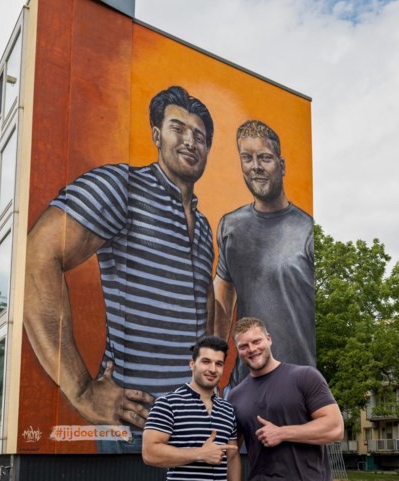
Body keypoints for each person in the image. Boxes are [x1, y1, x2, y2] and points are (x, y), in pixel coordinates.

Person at [23, 86, 216, 451]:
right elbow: (38, 255)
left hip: (193, 432)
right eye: (179, 128)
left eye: (200, 136)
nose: (191, 141)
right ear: (157, 134)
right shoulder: (122, 186)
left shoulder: (205, 228)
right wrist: (80, 389)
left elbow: (204, 311)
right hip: (133, 436)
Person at [213, 120, 315, 386]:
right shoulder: (229, 226)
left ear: (281, 166)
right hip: (243, 385)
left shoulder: (308, 230)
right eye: (247, 158)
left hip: (297, 384)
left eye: (265, 158)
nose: (255, 166)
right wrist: (213, 365)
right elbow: (223, 298)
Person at [227, 317, 343, 481]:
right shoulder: (234, 396)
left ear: (269, 339)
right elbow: (231, 451)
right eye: (244, 346)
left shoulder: (305, 376)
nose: (252, 349)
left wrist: (282, 433)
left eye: (256, 341)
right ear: (238, 350)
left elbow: (335, 428)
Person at [143, 336, 240, 481]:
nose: (212, 369)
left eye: (219, 364)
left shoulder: (228, 410)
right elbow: (149, 453)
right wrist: (200, 453)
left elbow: (231, 458)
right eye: (206, 362)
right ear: (192, 364)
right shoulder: (168, 404)